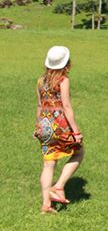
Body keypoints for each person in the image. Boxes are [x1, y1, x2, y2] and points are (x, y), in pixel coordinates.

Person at [34, 46, 84, 214]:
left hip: (44, 126)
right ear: (66, 64)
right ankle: (59, 186)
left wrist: (37, 126)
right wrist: (76, 131)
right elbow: (66, 106)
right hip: (60, 126)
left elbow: (40, 105)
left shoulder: (40, 80)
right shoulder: (63, 80)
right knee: (79, 153)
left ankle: (46, 205)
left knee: (48, 164)